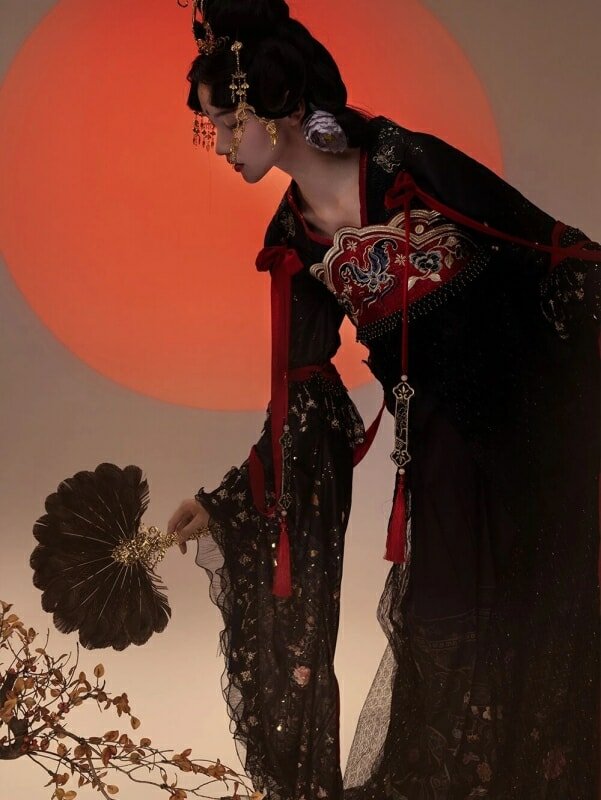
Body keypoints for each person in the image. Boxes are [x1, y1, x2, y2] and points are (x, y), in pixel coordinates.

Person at [166, 1, 601, 798]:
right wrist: (227, 500)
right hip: (438, 441)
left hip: (541, 420)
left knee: (549, 610)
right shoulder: (294, 240)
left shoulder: (402, 163)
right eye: (213, 130)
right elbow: (303, 395)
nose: (222, 146)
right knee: (444, 615)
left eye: (226, 125)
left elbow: (552, 250)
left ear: (274, 108)